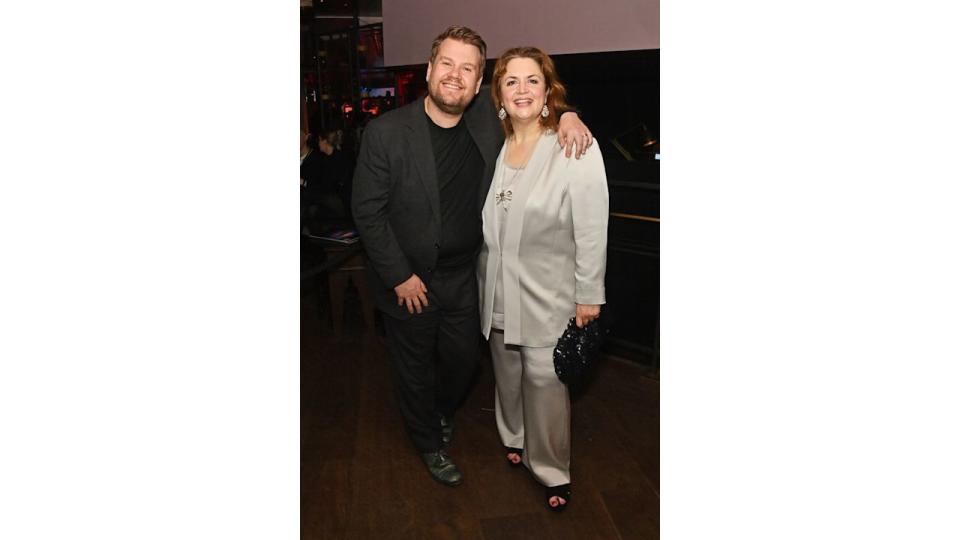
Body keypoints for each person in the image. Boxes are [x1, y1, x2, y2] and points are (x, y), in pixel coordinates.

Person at [351, 26, 593, 488]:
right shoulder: (385, 133)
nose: (455, 76)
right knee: (414, 368)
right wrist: (400, 274)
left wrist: (568, 116)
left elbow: (533, 102)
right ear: (428, 69)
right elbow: (367, 211)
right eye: (447, 64)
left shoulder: (487, 117)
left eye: (468, 68)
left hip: (466, 278)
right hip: (408, 281)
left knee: (464, 362)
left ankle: (442, 412)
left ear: (481, 81)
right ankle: (428, 443)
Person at [477, 46, 609, 511]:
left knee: (544, 379)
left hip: (547, 293)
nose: (522, 90)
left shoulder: (572, 146)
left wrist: (589, 294)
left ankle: (552, 468)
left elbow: (592, 227)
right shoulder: (495, 144)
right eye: (511, 81)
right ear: (499, 94)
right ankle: (512, 435)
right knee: (506, 371)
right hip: (495, 288)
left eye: (533, 80)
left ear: (548, 89)